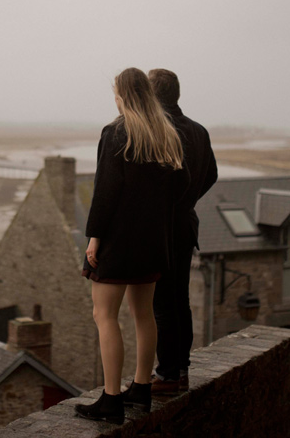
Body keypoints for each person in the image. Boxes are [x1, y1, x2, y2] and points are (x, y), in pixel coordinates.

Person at [74, 67, 188, 424]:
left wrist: (95, 237)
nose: (115, 99)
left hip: (120, 242)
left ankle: (111, 401)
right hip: (153, 240)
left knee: (104, 315)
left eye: (116, 93)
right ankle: (141, 389)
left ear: (123, 94)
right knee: (144, 315)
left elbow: (105, 192)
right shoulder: (167, 135)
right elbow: (180, 190)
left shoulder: (116, 133)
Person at [148, 68, 217, 394]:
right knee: (180, 301)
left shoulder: (158, 130)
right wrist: (188, 201)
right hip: (186, 226)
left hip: (162, 230)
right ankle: (183, 369)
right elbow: (211, 175)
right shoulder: (199, 131)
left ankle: (167, 375)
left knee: (161, 304)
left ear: (152, 96)